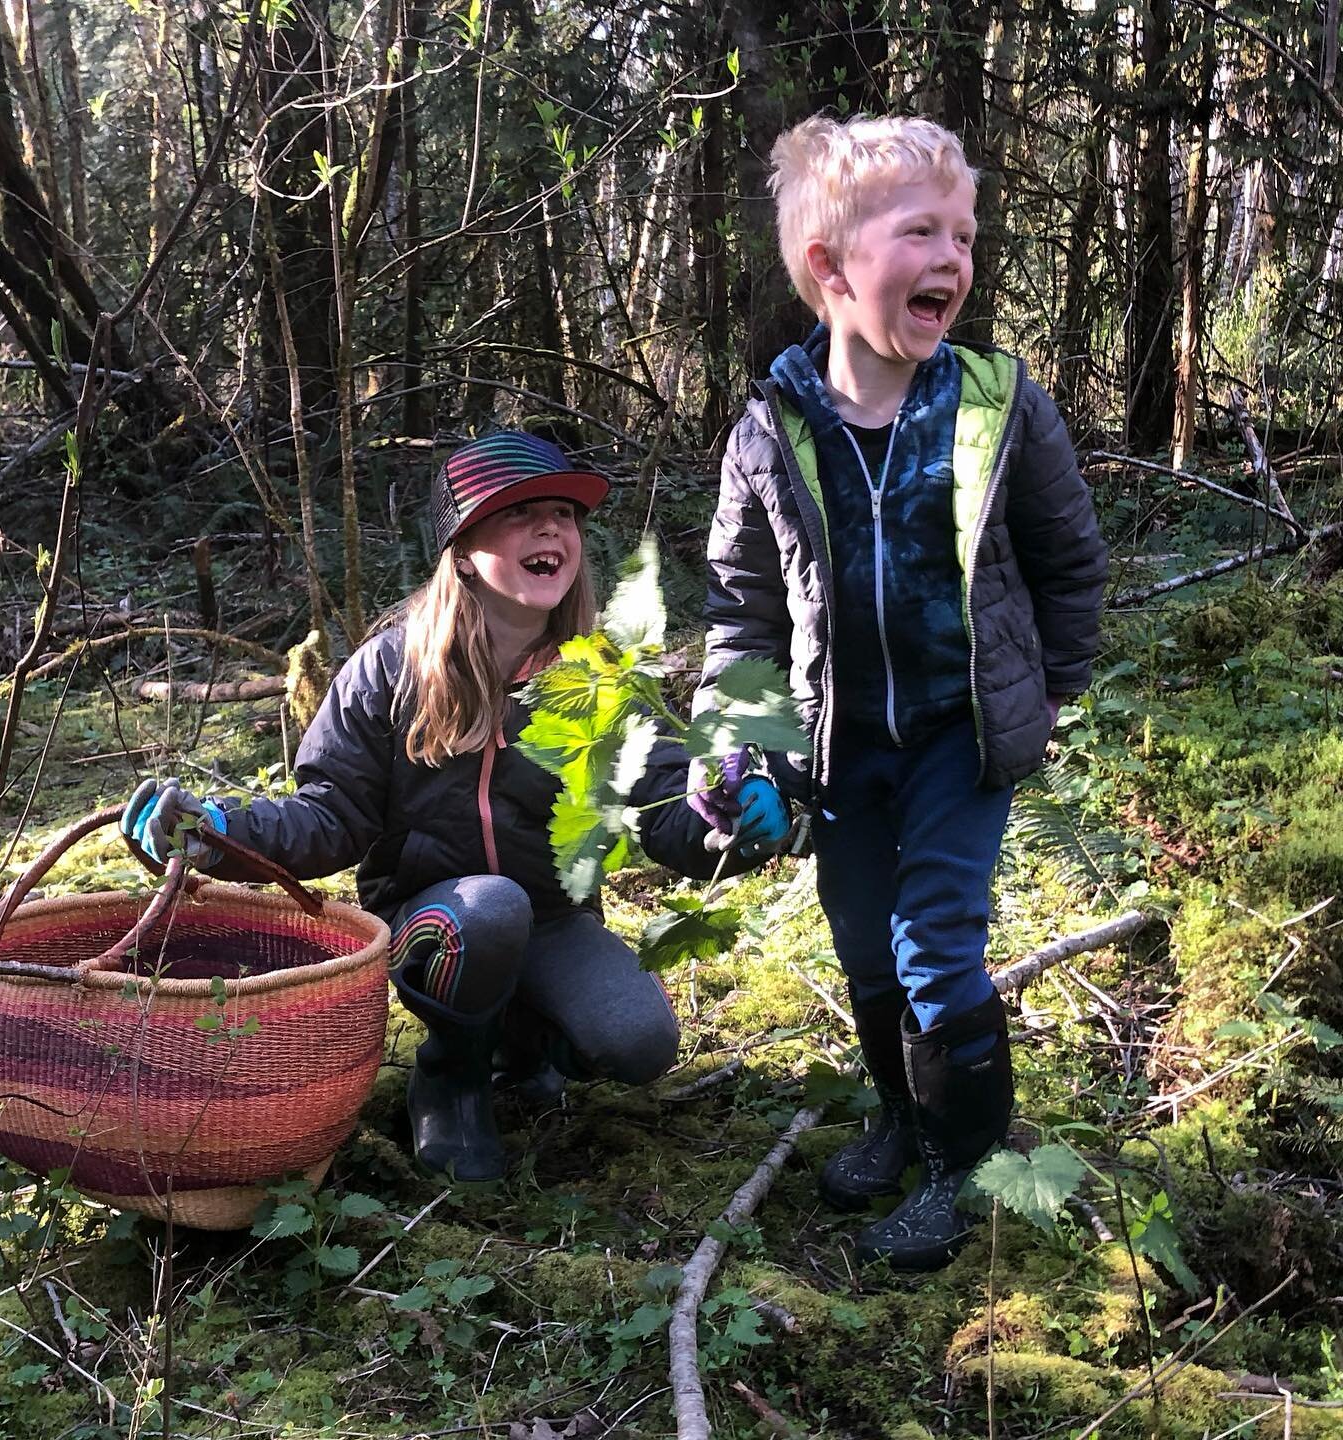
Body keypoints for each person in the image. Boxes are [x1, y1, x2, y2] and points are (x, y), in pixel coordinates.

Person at [121, 432, 790, 1183]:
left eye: (564, 516)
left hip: (554, 917)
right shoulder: (392, 668)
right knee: (488, 909)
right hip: (429, 919)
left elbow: (666, 804)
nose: (551, 531)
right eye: (521, 515)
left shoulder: (598, 678)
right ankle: (451, 1075)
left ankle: (524, 1041)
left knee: (639, 1042)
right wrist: (220, 832)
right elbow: (332, 814)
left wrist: (725, 818)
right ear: (463, 549)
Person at [690, 115, 1109, 1269]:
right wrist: (747, 750)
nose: (954, 259)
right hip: (843, 746)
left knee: (934, 944)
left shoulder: (995, 404)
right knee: (865, 949)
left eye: (965, 236)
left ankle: (957, 1169)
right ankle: (900, 1113)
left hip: (958, 738)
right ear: (830, 268)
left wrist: (1049, 693)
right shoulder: (772, 432)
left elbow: (1069, 559)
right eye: (921, 231)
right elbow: (744, 614)